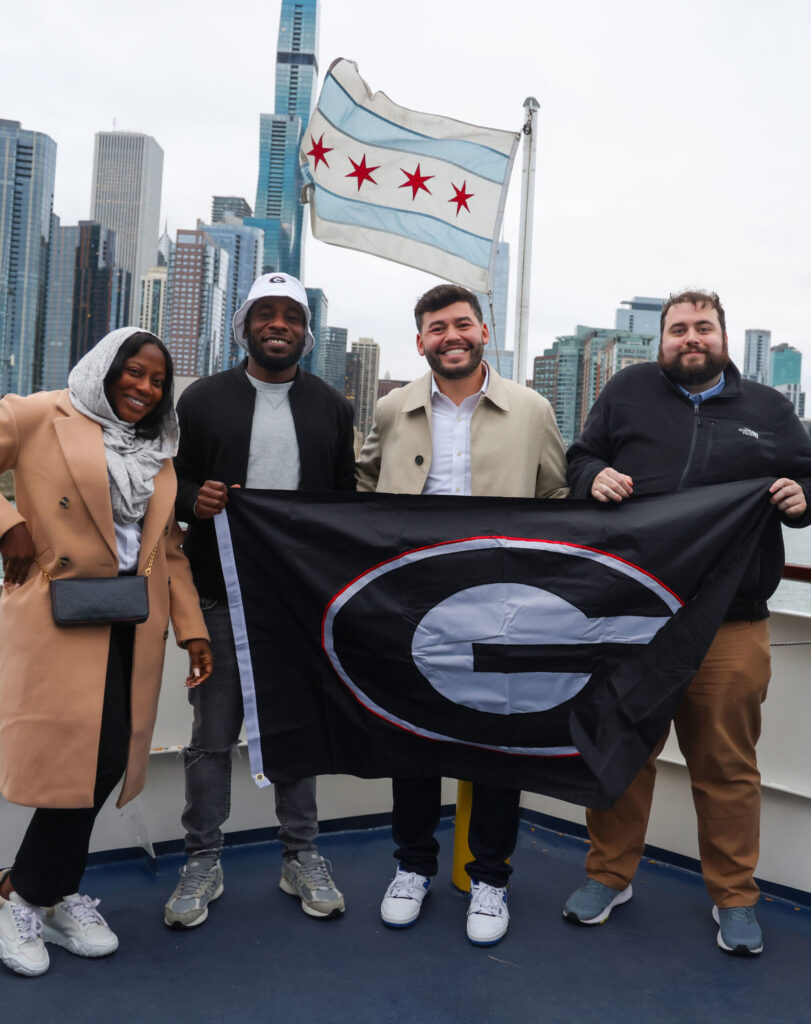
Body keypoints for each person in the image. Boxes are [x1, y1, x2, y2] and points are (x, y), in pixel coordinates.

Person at [562, 290, 811, 956]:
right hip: (633, 619)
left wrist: (801, 498)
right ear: (661, 340)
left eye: (702, 327)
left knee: (725, 767)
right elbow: (576, 460)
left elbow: (808, 479)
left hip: (729, 625)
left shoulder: (768, 408)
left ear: (723, 338)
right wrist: (593, 478)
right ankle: (608, 875)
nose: (689, 338)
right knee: (620, 751)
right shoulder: (626, 392)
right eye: (678, 329)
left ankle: (733, 896)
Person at [356, 282, 568, 946]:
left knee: (493, 745)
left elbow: (558, 497)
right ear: (419, 341)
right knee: (410, 740)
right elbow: (360, 485)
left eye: (461, 324)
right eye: (436, 328)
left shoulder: (532, 409)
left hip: (498, 610)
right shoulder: (392, 408)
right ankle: (411, 866)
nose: (450, 336)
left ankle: (490, 880)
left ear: (483, 331)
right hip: (407, 606)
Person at [0, 328, 212, 978]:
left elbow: (168, 551)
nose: (144, 388)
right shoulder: (42, 414)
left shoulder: (158, 452)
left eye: (156, 381)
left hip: (131, 621)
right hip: (60, 616)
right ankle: (30, 894)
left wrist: (193, 630)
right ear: (105, 367)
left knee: (110, 757)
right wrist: (9, 527)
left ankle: (38, 891)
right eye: (133, 372)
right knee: (82, 760)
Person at [164, 272, 355, 929]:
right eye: (265, 315)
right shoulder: (202, 400)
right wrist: (194, 500)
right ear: (243, 325)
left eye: (292, 317)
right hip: (216, 593)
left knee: (295, 733)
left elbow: (342, 506)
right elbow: (171, 478)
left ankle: (300, 854)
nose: (279, 326)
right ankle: (202, 859)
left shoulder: (332, 406)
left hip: (296, 602)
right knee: (211, 737)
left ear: (305, 331)